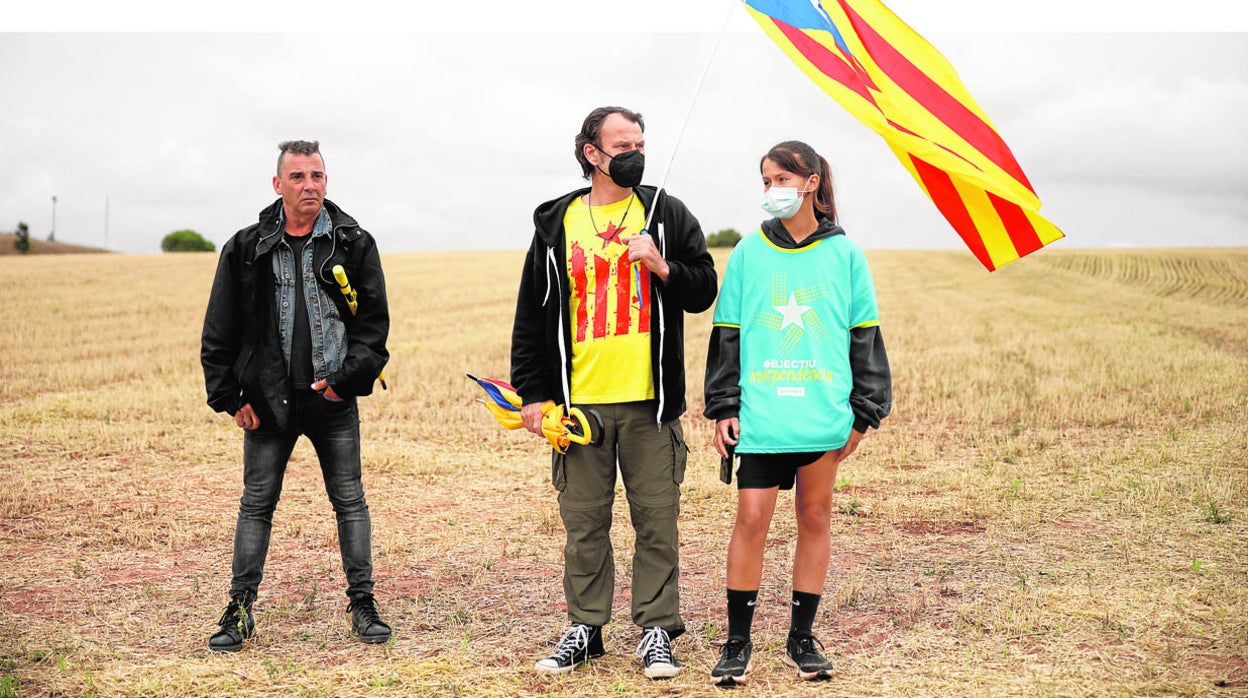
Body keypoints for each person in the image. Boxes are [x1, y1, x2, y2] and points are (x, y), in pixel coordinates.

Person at [510, 106, 718, 679]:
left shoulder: (665, 212)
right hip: (580, 408)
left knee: (657, 519)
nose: (636, 153)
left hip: (651, 406)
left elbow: (704, 290)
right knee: (583, 522)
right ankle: (585, 627)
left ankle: (656, 628)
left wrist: (662, 265)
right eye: (622, 144)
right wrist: (533, 393)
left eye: (641, 143)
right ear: (591, 153)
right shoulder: (557, 222)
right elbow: (533, 314)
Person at [702, 140, 892, 685]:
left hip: (821, 415)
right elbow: (727, 333)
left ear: (810, 182)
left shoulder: (845, 254)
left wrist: (863, 413)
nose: (772, 191)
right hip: (762, 416)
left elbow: (865, 336)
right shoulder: (748, 252)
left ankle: (802, 639)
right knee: (752, 519)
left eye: (781, 179)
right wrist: (724, 406)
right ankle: (738, 643)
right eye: (765, 181)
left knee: (814, 518)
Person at [201, 140, 392, 652]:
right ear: (277, 184)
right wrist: (227, 396)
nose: (310, 185)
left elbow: (374, 328)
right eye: (299, 176)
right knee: (256, 505)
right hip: (266, 403)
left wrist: (345, 381)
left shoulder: (353, 243)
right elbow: (219, 329)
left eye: (318, 176)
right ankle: (238, 612)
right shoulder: (246, 248)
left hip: (332, 401)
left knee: (350, 502)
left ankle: (363, 605)